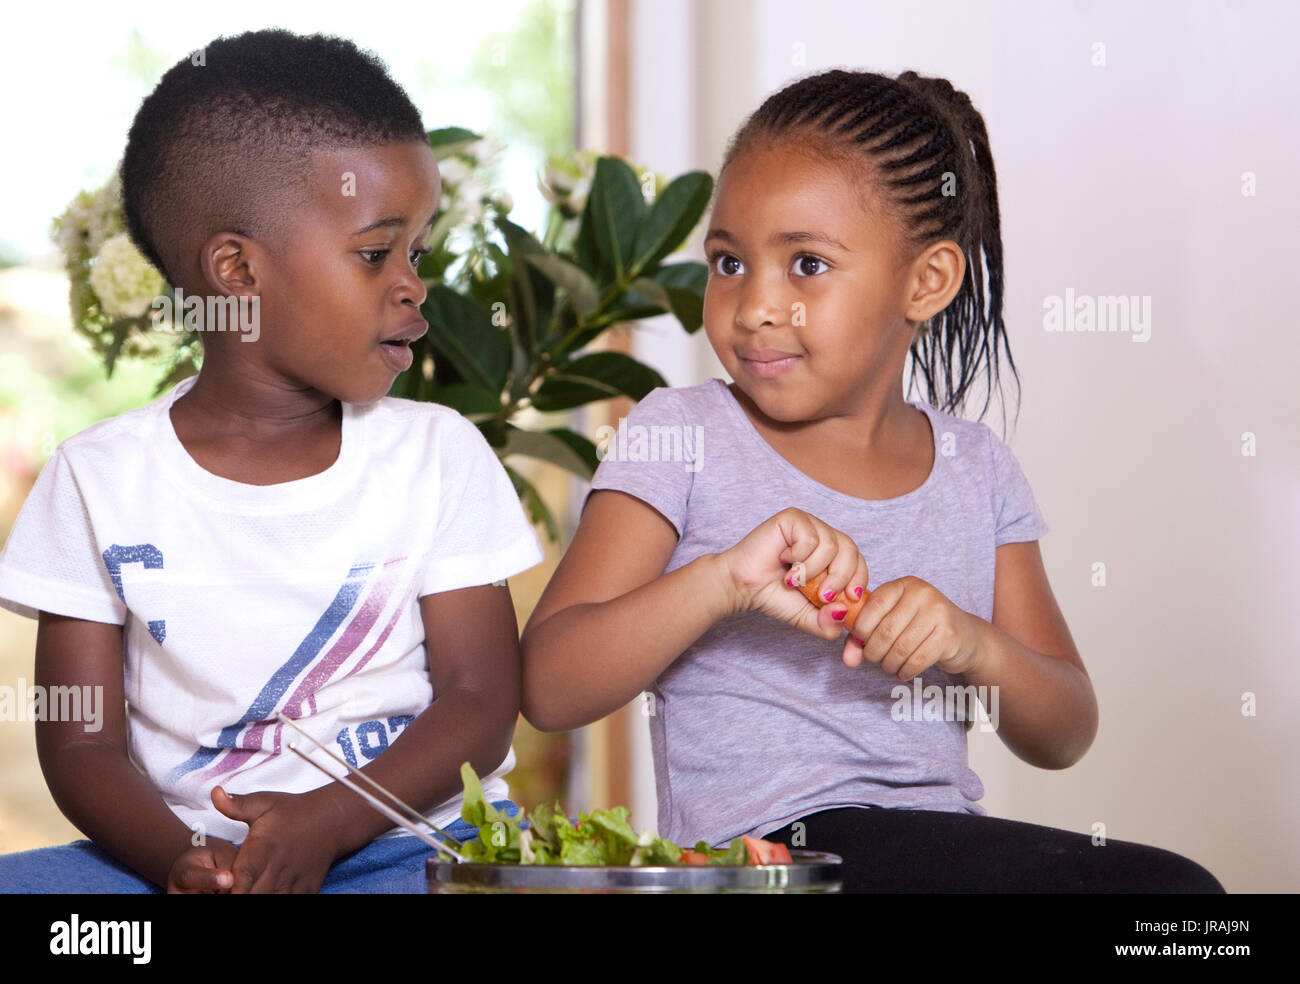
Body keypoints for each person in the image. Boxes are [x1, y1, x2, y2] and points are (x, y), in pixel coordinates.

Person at [519, 68, 1224, 893]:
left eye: (807, 264)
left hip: (934, 845)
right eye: (729, 262)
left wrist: (973, 643)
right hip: (770, 859)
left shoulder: (974, 467)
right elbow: (550, 685)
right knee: (1167, 898)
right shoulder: (682, 435)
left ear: (926, 281)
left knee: (1182, 915)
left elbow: (1064, 729)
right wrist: (720, 584)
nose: (754, 308)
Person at [0, 29, 543, 894]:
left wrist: (329, 821)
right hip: (178, 859)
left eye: (419, 253)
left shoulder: (438, 454)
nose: (413, 284)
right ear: (236, 271)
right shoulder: (95, 480)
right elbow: (80, 743)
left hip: (410, 845)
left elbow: (479, 704)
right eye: (376, 253)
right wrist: (180, 863)